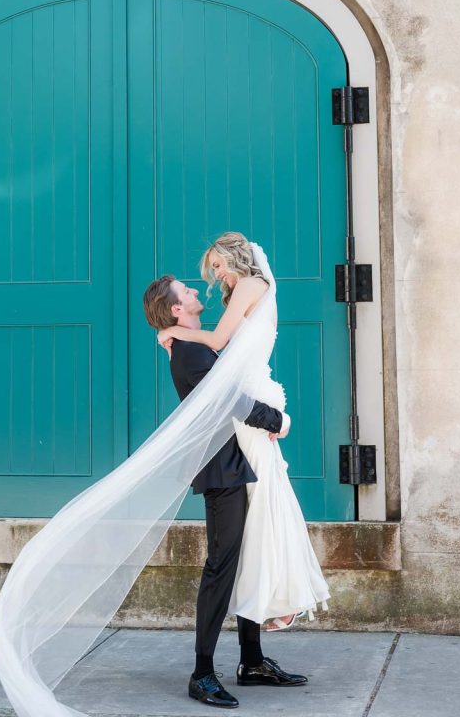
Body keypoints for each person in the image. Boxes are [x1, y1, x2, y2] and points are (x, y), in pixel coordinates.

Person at [143, 273, 309, 709]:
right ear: (176, 308)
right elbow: (230, 401)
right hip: (223, 472)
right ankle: (202, 673)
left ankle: (252, 661)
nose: (196, 290)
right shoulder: (189, 353)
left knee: (248, 556)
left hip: (243, 463)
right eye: (186, 291)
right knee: (221, 565)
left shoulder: (193, 343)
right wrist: (277, 420)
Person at [157, 233, 331, 636]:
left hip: (254, 400)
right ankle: (277, 601)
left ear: (236, 257)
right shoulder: (246, 292)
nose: (215, 275)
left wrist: (175, 333)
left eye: (218, 265)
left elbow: (218, 341)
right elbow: (222, 352)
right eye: (213, 269)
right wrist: (175, 339)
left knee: (268, 500)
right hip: (251, 400)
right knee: (267, 500)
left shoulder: (251, 285)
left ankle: (283, 597)